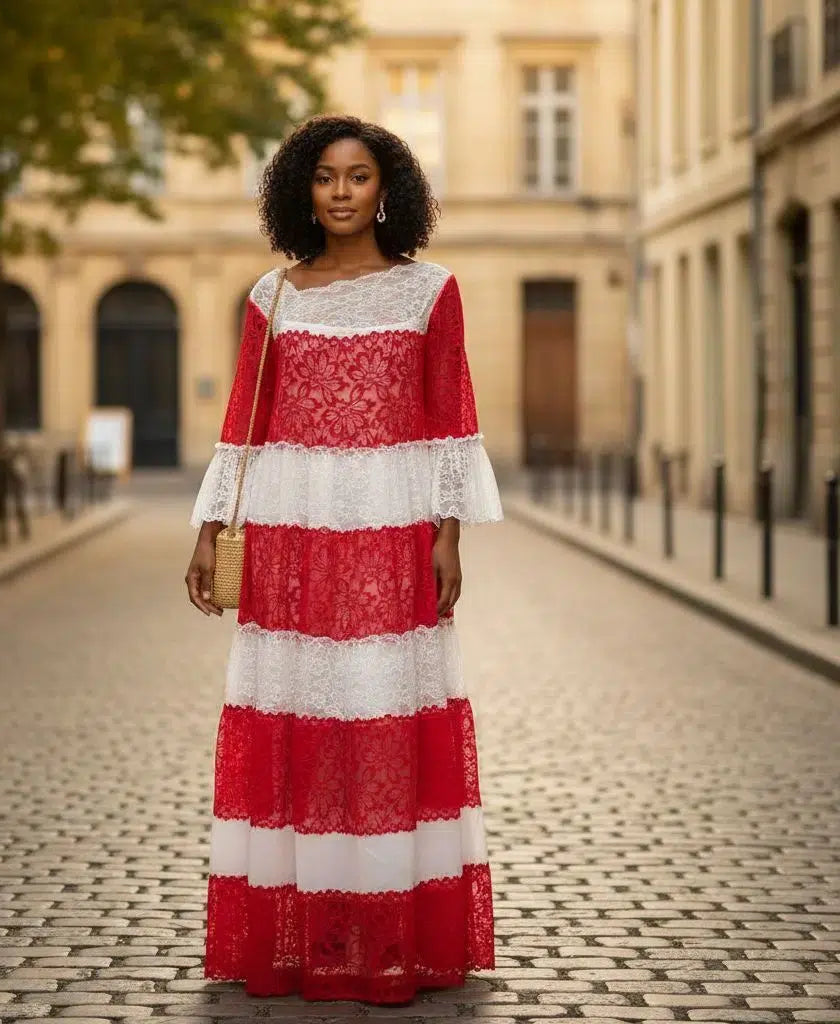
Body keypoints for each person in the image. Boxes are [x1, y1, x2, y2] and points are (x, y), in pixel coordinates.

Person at [185, 114, 503, 1005]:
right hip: (290, 534)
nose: (339, 192)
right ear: (301, 190)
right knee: (303, 726)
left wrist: (448, 532)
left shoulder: (431, 291)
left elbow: (450, 413)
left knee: (382, 718)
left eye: (357, 177)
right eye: (324, 176)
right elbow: (242, 421)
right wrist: (212, 529)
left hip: (392, 531)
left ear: (385, 190)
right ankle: (303, 940)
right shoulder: (270, 298)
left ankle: (390, 937)